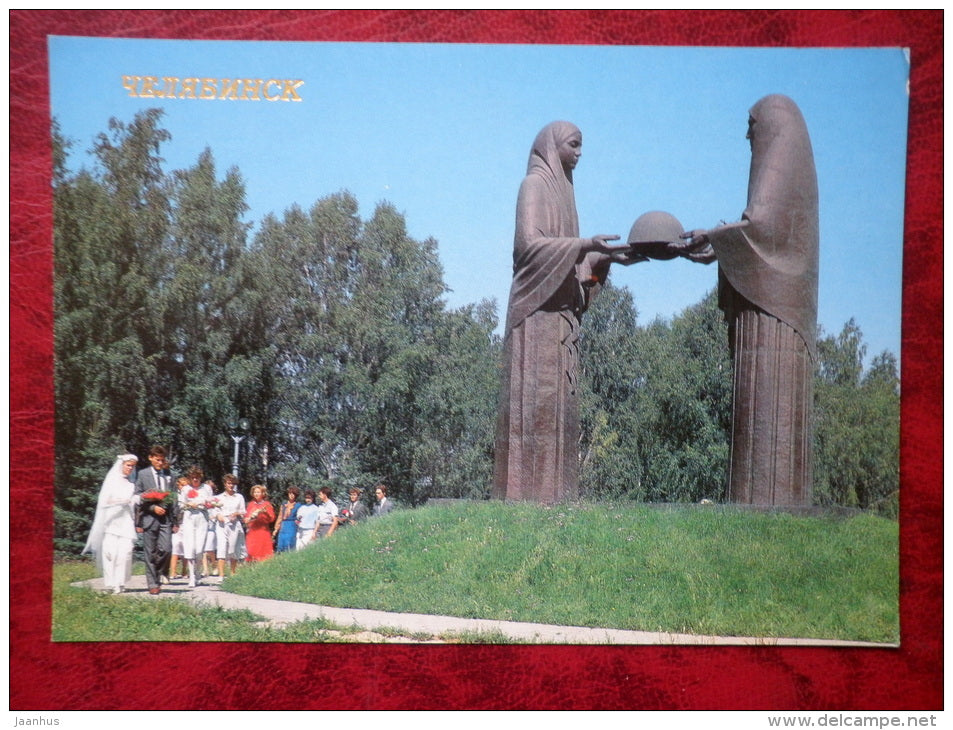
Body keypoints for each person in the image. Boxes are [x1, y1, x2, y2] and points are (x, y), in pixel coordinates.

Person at [677, 94, 818, 506]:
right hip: (770, 314)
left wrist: (716, 237)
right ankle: (756, 502)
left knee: (770, 413)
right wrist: (720, 243)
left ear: (773, 127)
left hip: (775, 319)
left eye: (751, 125)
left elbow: (762, 230)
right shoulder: (793, 177)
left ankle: (764, 503)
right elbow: (756, 231)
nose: (746, 134)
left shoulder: (786, 171)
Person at [492, 121, 644, 503]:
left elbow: (579, 274)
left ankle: (557, 500)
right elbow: (528, 247)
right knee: (536, 410)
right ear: (553, 145)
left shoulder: (566, 197)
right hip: (536, 319)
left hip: (561, 321)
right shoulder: (534, 186)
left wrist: (603, 259)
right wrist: (581, 244)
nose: (579, 153)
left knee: (559, 410)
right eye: (574, 145)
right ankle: (525, 498)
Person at [82, 453, 139, 594]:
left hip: (126, 521)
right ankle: (112, 583)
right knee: (111, 553)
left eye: (132, 466)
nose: (130, 468)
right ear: (122, 464)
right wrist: (121, 501)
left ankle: (121, 582)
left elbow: (133, 503)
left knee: (125, 553)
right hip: (112, 521)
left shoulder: (131, 485)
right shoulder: (112, 481)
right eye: (128, 465)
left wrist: (134, 501)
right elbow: (104, 502)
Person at [134, 445, 178, 595]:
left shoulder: (169, 474)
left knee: (166, 549)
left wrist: (176, 520)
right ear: (151, 458)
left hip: (166, 518)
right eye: (157, 459)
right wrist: (153, 508)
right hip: (149, 517)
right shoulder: (143, 474)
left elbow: (174, 498)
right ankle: (153, 583)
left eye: (162, 460)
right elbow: (138, 496)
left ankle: (158, 571)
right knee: (150, 551)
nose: (160, 462)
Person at [178, 467, 213, 587]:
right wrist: (188, 504)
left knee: (199, 549)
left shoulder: (206, 488)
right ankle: (192, 576)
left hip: (202, 518)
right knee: (190, 547)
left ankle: (198, 572)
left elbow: (211, 502)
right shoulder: (185, 489)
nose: (195, 479)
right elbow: (180, 504)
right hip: (189, 518)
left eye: (197, 477)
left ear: (200, 477)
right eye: (192, 477)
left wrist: (201, 503)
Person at [215, 474, 246, 577]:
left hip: (234, 524)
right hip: (222, 524)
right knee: (222, 547)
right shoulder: (218, 497)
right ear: (225, 484)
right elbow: (214, 511)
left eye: (233, 483)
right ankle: (221, 575)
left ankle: (232, 573)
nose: (231, 485)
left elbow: (243, 511)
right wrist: (218, 515)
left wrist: (236, 514)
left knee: (233, 548)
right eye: (229, 483)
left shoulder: (239, 497)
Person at [243, 484, 275, 561]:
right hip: (252, 532)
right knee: (251, 550)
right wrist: (248, 519)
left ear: (262, 493)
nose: (256, 494)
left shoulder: (267, 504)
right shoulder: (251, 504)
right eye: (255, 492)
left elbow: (272, 519)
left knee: (263, 552)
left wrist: (265, 512)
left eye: (258, 492)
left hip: (263, 531)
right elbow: (246, 518)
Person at [167, 476, 189, 581]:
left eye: (186, 485)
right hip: (178, 524)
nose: (184, 487)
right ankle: (173, 571)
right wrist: (174, 524)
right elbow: (172, 511)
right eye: (182, 485)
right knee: (175, 548)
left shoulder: (189, 495)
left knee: (186, 548)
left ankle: (184, 571)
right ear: (178, 486)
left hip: (187, 524)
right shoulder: (175, 497)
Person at [272, 486, 301, 552]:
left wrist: (297, 526)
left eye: (293, 494)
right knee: (281, 542)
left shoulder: (298, 505)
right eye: (290, 493)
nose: (291, 495)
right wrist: (276, 529)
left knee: (290, 542)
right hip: (283, 525)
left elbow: (300, 518)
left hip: (292, 526)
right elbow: (280, 517)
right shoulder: (284, 504)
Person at [202, 479, 220, 577]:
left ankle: (214, 564)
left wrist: (214, 515)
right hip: (203, 526)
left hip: (212, 527)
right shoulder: (202, 499)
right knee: (204, 550)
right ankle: (205, 570)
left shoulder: (216, 499)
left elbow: (218, 510)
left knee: (209, 549)